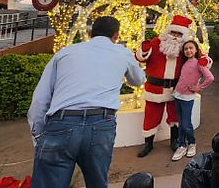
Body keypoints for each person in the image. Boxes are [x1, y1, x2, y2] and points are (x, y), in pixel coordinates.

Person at [28, 16, 145, 188]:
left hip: (61, 122)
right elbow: (138, 79)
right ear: (116, 35)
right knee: (97, 183)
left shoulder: (65, 52)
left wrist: (38, 136)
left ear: (90, 33)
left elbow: (40, 99)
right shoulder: (122, 52)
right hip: (101, 124)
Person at [135, 15, 190, 157]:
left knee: (175, 117)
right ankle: (148, 144)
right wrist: (143, 48)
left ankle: (174, 141)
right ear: (168, 32)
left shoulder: (186, 47)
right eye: (173, 33)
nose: (175, 37)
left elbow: (199, 58)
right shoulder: (155, 43)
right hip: (155, 88)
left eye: (179, 34)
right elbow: (140, 57)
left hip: (176, 89)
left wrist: (204, 62)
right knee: (151, 116)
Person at [172, 41, 214, 161]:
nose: (188, 51)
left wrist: (199, 87)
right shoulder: (185, 62)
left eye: (191, 48)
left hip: (187, 98)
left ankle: (192, 143)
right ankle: (181, 145)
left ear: (196, 50)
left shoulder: (199, 64)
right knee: (180, 122)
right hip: (177, 95)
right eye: (186, 49)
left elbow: (210, 77)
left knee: (186, 123)